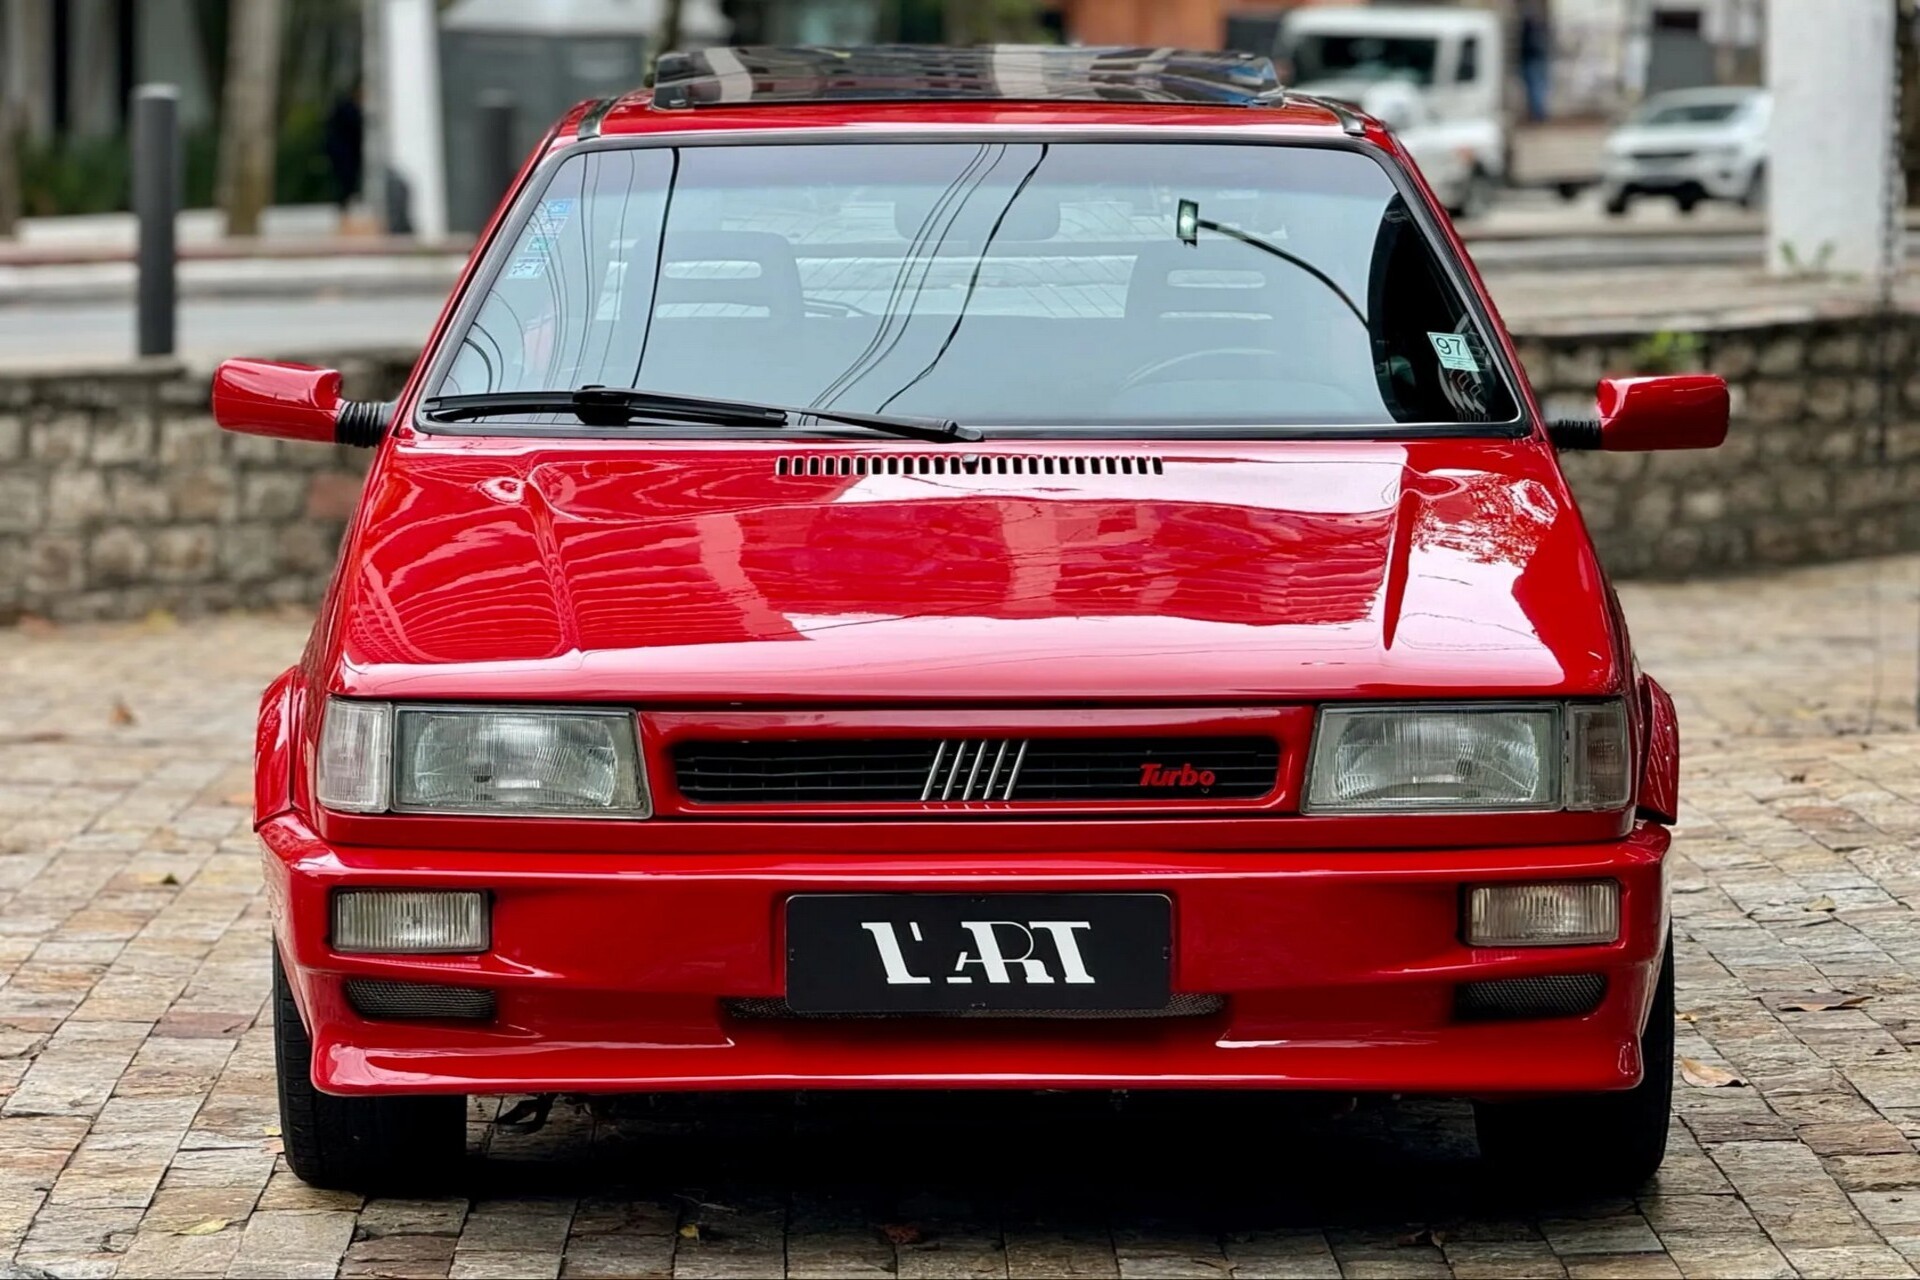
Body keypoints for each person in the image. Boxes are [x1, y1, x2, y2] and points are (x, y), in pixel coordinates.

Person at [323, 88, 365, 221]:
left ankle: (345, 209)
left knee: (346, 183)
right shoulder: (347, 110)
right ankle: (343, 212)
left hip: (343, 153)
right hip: (343, 154)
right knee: (345, 183)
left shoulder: (345, 109)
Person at [1518, 4, 1550, 122]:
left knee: (1536, 87)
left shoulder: (1530, 26)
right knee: (1539, 87)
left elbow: (1530, 45)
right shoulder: (1538, 26)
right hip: (1537, 58)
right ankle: (1539, 113)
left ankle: (1538, 115)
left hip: (1532, 58)